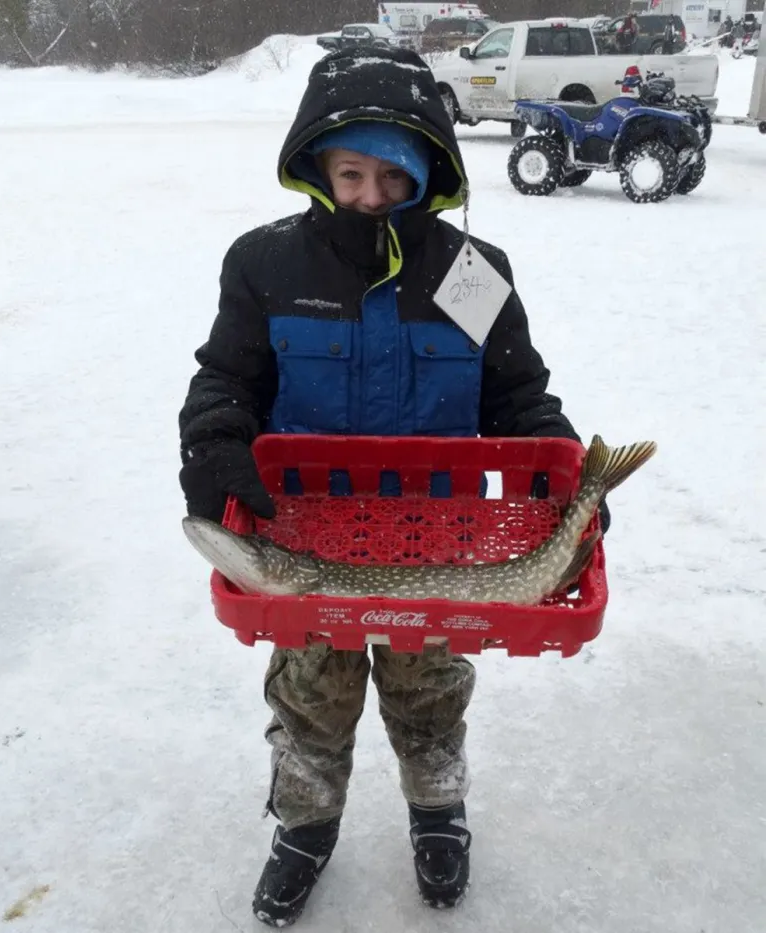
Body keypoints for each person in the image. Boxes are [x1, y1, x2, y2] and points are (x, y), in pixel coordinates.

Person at [178, 45, 610, 928]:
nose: (370, 195)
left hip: (441, 543)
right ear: (316, 166)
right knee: (309, 699)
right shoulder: (265, 264)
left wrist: (565, 469)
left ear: (429, 174)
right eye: (350, 173)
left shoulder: (472, 270)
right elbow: (226, 380)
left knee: (430, 692)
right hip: (304, 540)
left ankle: (437, 811)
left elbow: (519, 393)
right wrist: (214, 443)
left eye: (393, 177)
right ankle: (304, 824)